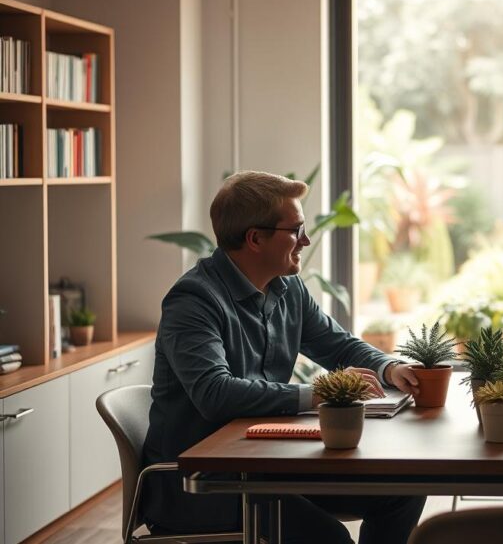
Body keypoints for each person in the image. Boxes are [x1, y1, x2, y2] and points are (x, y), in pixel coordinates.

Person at [142, 171, 426, 543]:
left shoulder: (288, 287)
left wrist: (390, 367)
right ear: (255, 238)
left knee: (403, 490)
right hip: (201, 484)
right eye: (295, 230)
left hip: (269, 463)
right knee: (329, 538)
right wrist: (320, 391)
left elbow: (336, 344)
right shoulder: (194, 301)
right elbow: (214, 393)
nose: (306, 240)